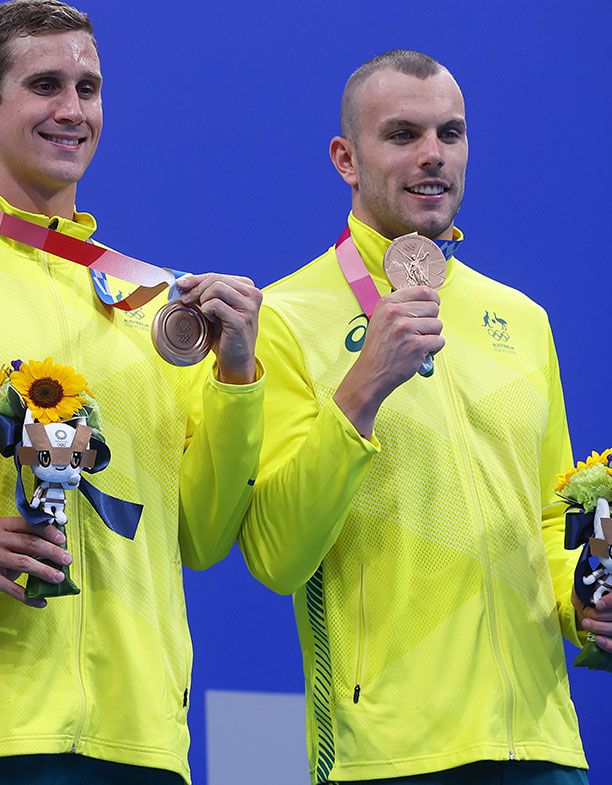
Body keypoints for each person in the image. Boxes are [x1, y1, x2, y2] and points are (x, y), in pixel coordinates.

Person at [0, 2, 263, 783]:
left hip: (141, 739)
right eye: (44, 85)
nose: (73, 110)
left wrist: (236, 376)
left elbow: (200, 533)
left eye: (88, 87)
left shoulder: (156, 303)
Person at [239, 49, 598, 784]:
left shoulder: (522, 318)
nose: (433, 156)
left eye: (451, 133)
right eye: (403, 135)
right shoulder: (283, 319)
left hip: (542, 747)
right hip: (389, 753)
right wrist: (360, 390)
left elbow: (551, 520)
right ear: (347, 157)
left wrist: (584, 599)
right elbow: (277, 554)